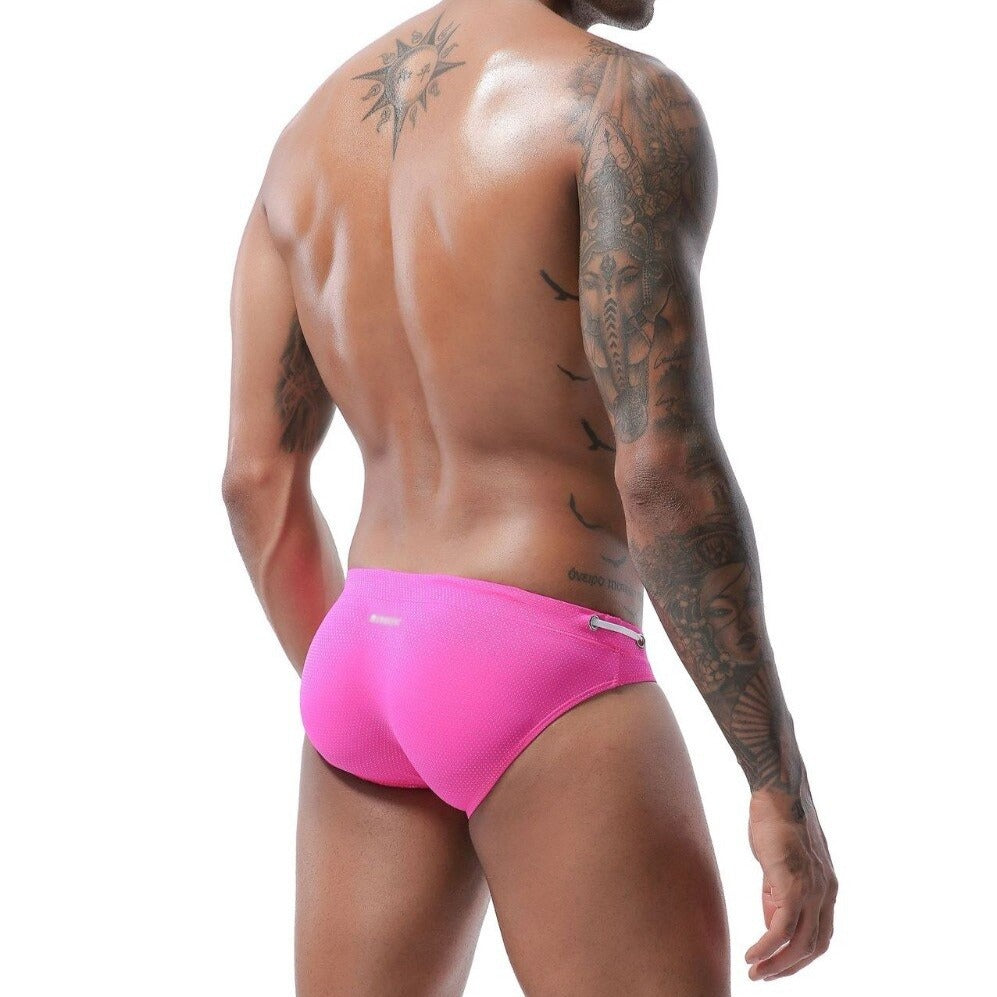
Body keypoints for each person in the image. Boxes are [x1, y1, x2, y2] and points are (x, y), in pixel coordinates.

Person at [222, 0, 837, 992]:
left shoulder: (306, 142)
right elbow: (662, 467)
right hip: (544, 654)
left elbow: (256, 480)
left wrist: (392, 683)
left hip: (361, 656)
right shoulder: (615, 103)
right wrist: (777, 781)